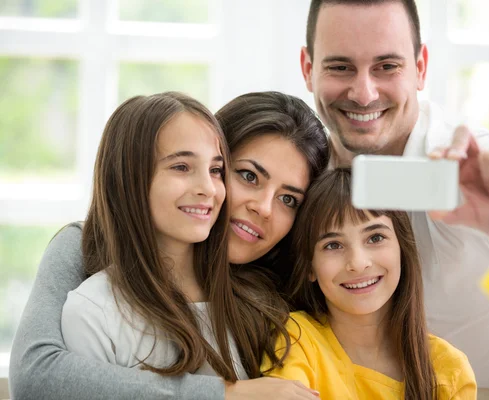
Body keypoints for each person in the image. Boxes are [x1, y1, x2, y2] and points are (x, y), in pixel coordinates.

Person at [299, 1, 489, 399]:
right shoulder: (308, 176)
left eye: (387, 66)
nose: (364, 93)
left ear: (421, 67)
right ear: (308, 69)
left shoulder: (461, 162)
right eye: (340, 67)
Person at [9, 91, 328, 400]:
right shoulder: (88, 274)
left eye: (289, 199)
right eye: (247, 175)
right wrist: (225, 394)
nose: (265, 208)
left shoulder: (279, 300)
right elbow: (37, 376)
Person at [263, 168, 477, 399]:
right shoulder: (295, 339)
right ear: (309, 267)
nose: (357, 263)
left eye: (375, 238)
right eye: (333, 245)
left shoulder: (450, 369)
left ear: (402, 249)